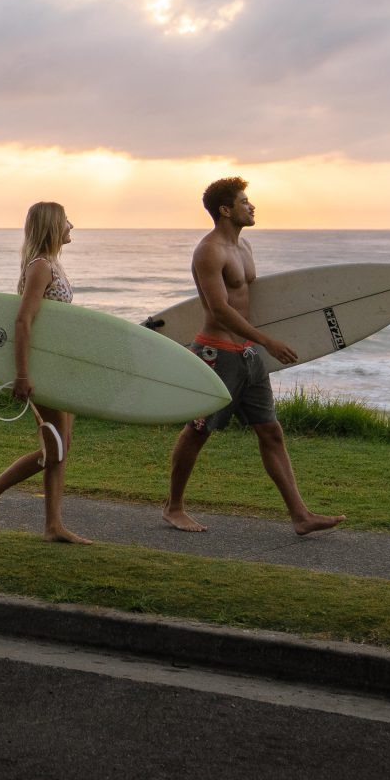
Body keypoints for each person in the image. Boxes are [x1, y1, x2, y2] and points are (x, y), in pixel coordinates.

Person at [162, 178, 344, 536]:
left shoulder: (244, 247)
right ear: (225, 210)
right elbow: (219, 309)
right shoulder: (209, 251)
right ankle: (173, 507)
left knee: (271, 431)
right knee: (197, 432)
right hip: (217, 355)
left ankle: (300, 516)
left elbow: (253, 297)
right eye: (245, 201)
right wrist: (269, 341)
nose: (252, 206)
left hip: (247, 354)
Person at [0, 201, 92, 544]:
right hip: (41, 371)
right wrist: (23, 375)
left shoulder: (52, 264)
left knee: (61, 448)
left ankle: (54, 526)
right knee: (54, 448)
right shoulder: (41, 266)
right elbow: (23, 321)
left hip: (58, 368)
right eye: (66, 220)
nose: (72, 225)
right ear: (53, 226)